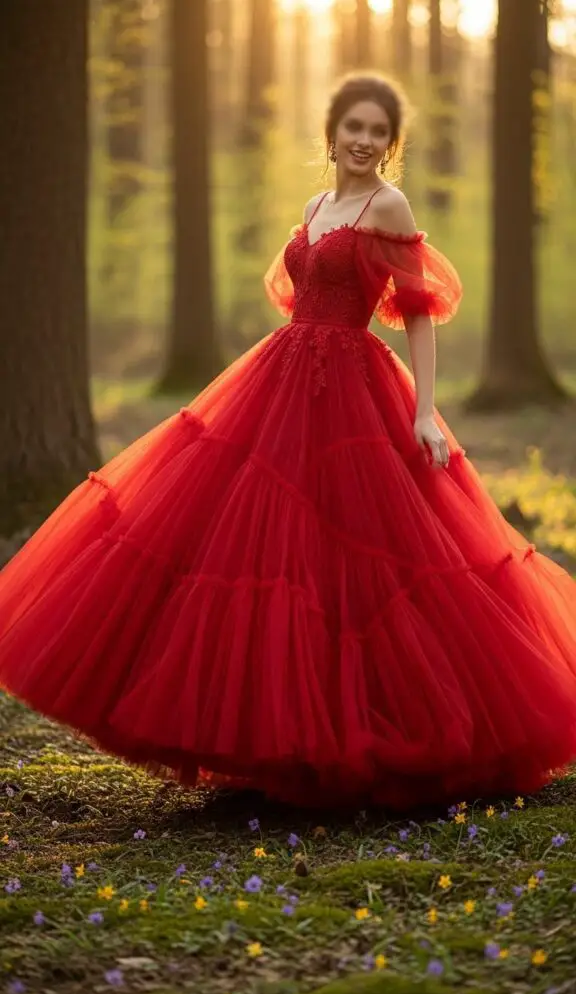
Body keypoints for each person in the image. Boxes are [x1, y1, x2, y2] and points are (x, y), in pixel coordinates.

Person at [1, 73, 576, 812]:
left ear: (390, 145)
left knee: (364, 551)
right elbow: (296, 290)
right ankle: (260, 743)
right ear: (331, 134)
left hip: (354, 391)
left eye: (378, 132)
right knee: (261, 548)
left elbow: (418, 313)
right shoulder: (314, 206)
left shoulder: (388, 205)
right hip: (279, 382)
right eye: (353, 127)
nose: (364, 141)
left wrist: (426, 412)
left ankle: (361, 732)